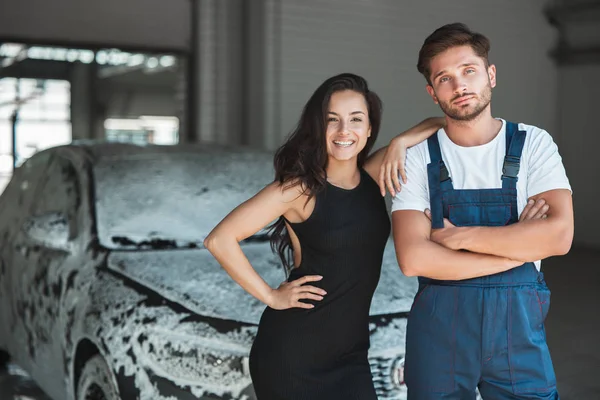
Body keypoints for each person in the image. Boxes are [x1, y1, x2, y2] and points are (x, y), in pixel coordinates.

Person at [204, 73, 443, 399]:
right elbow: (219, 240)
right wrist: (272, 296)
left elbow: (440, 122)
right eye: (333, 121)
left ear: (369, 128)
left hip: (351, 355)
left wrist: (400, 141)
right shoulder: (298, 190)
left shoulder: (374, 176)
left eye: (356, 120)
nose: (345, 131)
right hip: (293, 356)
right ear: (318, 128)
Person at [391, 23, 574, 399]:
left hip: (517, 336)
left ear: (490, 74)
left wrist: (457, 238)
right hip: (439, 338)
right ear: (432, 92)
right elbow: (413, 259)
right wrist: (520, 248)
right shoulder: (416, 158)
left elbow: (559, 236)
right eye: (445, 78)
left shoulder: (534, 144)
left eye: (468, 70)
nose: (459, 85)